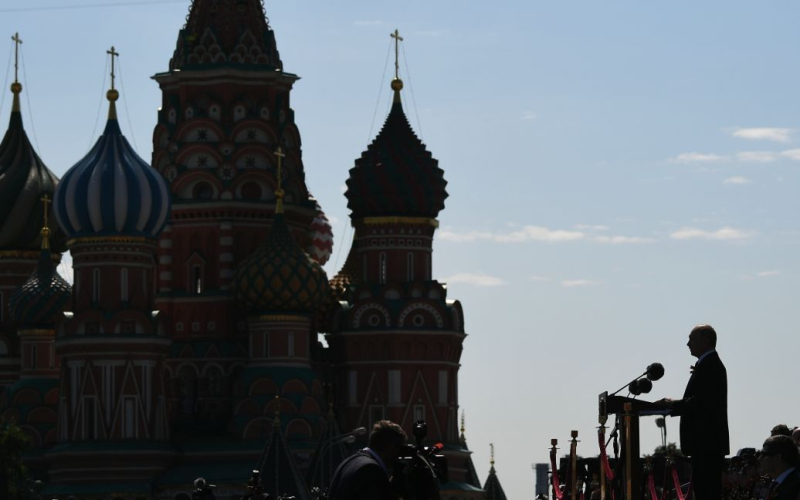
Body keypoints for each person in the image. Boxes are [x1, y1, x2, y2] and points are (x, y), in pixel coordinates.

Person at [656, 324, 729, 500]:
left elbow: (702, 402)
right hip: (703, 444)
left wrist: (672, 405)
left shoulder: (712, 365)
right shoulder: (706, 364)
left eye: (691, 339)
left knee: (707, 493)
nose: (688, 344)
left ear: (706, 340)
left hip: (708, 443)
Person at [328, 420, 407, 500]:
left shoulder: (348, 462)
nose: (400, 456)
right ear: (392, 448)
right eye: (400, 450)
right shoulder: (372, 471)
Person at [758, 435, 800, 500]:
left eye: (764, 455)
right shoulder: (776, 485)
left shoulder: (796, 486)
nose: (759, 459)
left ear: (777, 458)